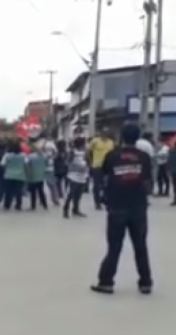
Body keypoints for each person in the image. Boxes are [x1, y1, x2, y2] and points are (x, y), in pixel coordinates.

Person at [93, 124, 153, 295]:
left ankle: (106, 282)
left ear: (121, 137)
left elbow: (104, 177)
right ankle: (145, 282)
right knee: (140, 245)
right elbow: (148, 181)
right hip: (138, 207)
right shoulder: (144, 157)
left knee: (114, 246)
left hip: (117, 206)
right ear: (137, 138)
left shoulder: (112, 155)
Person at [88, 127, 114, 210]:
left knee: (108, 185)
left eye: (107, 133)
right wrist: (90, 163)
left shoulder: (111, 142)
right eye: (104, 133)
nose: (105, 134)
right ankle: (97, 202)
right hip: (97, 166)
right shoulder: (95, 141)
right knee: (97, 185)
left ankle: (105, 199)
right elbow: (89, 152)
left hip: (108, 167)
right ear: (101, 133)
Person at [63, 137, 89, 219]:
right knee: (71, 193)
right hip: (73, 175)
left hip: (83, 175)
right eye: (84, 144)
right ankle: (66, 209)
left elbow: (87, 161)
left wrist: (86, 168)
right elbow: (67, 162)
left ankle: (76, 209)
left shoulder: (85, 152)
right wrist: (75, 167)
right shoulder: (72, 152)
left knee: (79, 194)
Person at [1, 140, 27, 211]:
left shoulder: (7, 155)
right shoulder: (23, 155)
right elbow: (26, 164)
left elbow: (2, 164)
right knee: (19, 191)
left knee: (8, 191)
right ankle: (18, 205)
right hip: (20, 175)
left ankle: (7, 205)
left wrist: (6, 170)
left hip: (9, 175)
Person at [26, 144, 48, 210]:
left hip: (32, 176)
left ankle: (33, 206)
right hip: (40, 176)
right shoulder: (44, 156)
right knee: (41, 191)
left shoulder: (30, 156)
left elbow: (27, 165)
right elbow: (46, 164)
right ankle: (45, 205)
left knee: (33, 192)